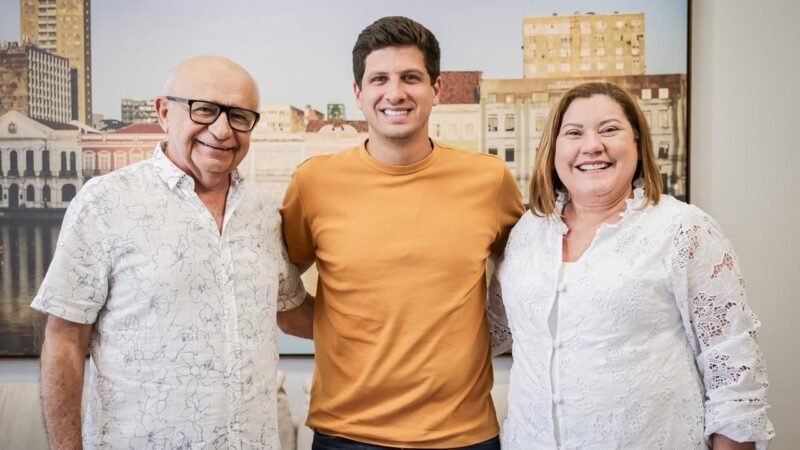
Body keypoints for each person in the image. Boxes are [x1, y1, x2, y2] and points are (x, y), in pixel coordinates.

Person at [32, 56, 306, 449]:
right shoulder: (104, 203)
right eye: (205, 110)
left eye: (239, 116)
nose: (222, 130)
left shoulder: (264, 213)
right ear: (164, 112)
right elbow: (64, 340)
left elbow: (291, 311)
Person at [278, 16, 524, 450]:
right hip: (344, 435)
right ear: (358, 94)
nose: (395, 93)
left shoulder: (488, 179)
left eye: (411, 77)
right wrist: (345, 328)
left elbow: (532, 278)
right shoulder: (314, 183)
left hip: (464, 436)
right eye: (379, 79)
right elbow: (275, 290)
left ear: (437, 89)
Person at [488, 81, 774, 449]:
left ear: (638, 144)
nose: (592, 146)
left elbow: (734, 369)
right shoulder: (527, 233)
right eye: (573, 132)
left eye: (609, 129)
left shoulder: (685, 229)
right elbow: (495, 329)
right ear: (553, 149)